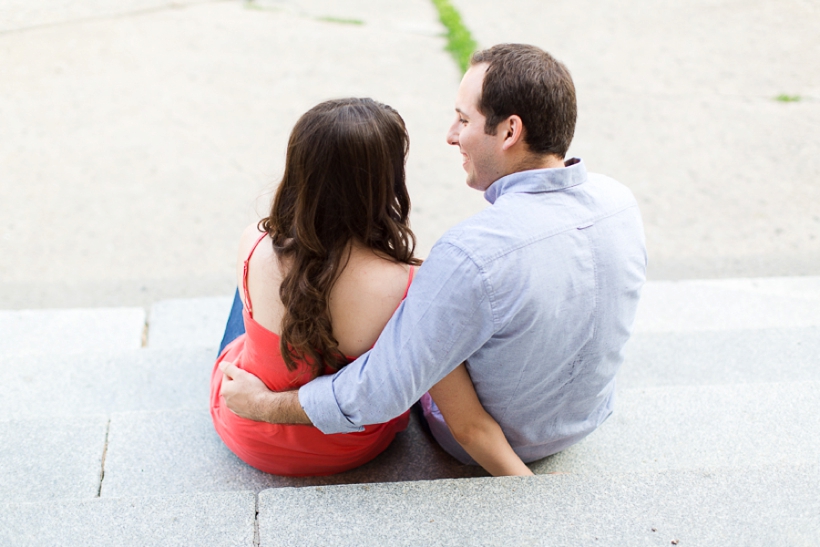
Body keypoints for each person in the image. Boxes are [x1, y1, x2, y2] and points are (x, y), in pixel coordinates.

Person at [220, 44, 647, 467]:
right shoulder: (620, 203)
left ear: (510, 132)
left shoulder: (471, 256)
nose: (451, 135)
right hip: (582, 421)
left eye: (463, 120)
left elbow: (377, 393)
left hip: (484, 437)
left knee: (267, 268)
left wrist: (259, 404)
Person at [212, 97, 531, 477]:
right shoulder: (407, 285)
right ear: (386, 180)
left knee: (251, 294)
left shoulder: (254, 240)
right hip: (349, 449)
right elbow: (468, 423)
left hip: (245, 431)